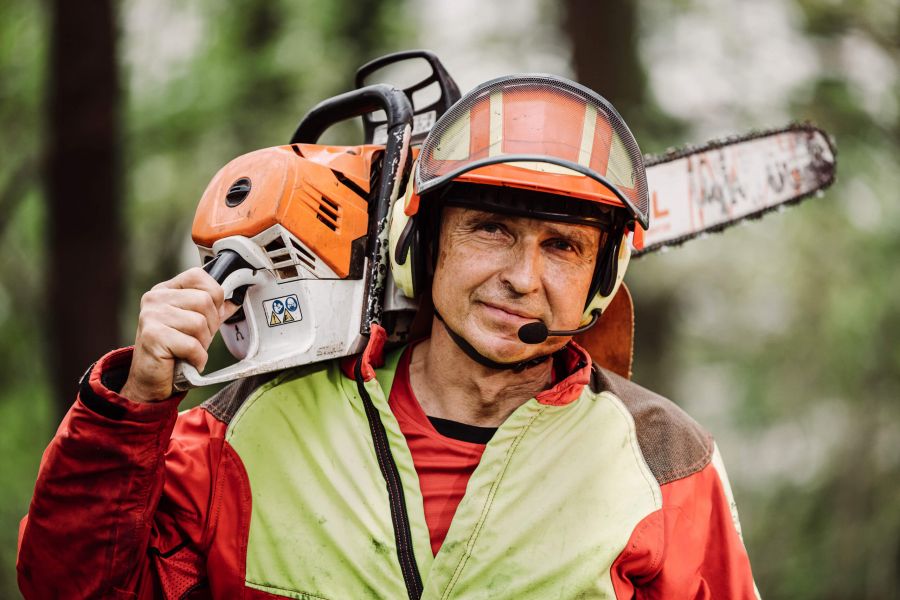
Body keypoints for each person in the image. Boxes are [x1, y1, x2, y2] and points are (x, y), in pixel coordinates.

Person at [17, 75, 758, 598]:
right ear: (423, 244)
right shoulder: (249, 427)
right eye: (490, 229)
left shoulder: (664, 459)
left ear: (602, 275)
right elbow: (71, 587)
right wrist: (135, 404)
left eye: (562, 245)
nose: (522, 278)